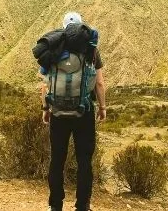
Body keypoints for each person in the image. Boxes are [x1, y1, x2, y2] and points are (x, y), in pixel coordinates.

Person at [40, 12, 107, 211]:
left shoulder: (53, 49)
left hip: (58, 113)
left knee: (57, 160)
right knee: (84, 161)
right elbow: (100, 83)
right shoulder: (91, 50)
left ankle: (55, 205)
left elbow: (45, 85)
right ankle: (83, 206)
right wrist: (102, 108)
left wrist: (46, 109)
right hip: (84, 112)